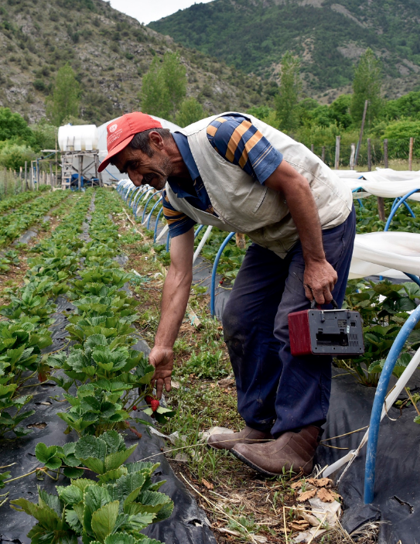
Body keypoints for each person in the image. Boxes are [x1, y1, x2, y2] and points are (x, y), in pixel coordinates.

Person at [98, 112, 355, 477]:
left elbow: (296, 185)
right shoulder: (175, 198)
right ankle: (260, 425)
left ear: (157, 141)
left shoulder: (222, 135)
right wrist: (163, 345)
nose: (136, 180)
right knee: (241, 318)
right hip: (272, 235)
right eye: (127, 172)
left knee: (298, 323)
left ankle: (299, 440)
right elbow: (179, 271)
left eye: (135, 165)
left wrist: (315, 260)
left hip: (321, 219)